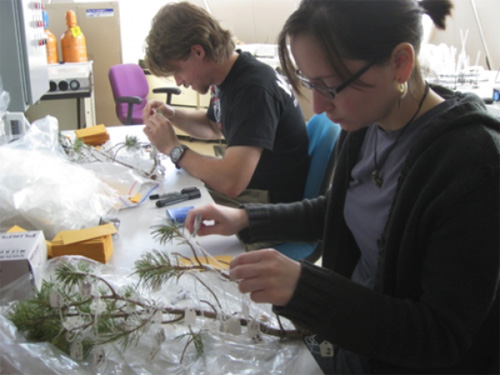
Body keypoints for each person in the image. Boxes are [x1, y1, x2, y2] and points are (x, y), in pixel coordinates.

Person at [185, 0, 500, 373]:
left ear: (400, 62)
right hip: (352, 336)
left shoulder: (472, 164)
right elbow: (337, 210)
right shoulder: (369, 121)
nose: (318, 106)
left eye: (330, 86)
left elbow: (440, 337)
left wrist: (306, 289)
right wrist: (243, 218)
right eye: (309, 82)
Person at [141, 2, 310, 207]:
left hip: (266, 206)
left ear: (197, 52)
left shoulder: (253, 89)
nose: (179, 81)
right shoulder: (229, 76)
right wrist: (172, 114)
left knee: (161, 205)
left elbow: (231, 182)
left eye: (178, 71)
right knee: (165, 191)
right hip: (251, 191)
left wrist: (174, 148)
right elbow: (213, 126)